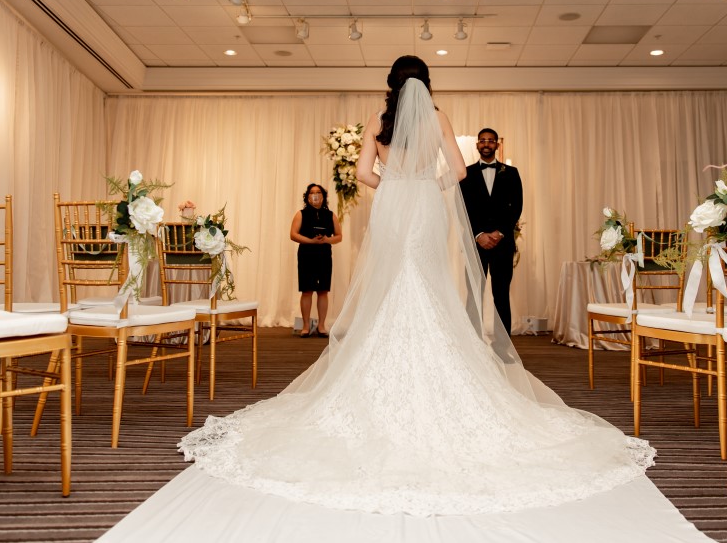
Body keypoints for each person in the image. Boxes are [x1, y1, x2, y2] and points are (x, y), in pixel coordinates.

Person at [178, 55, 653, 516]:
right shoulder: (438, 118)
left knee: (392, 282)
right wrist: (424, 184)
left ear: (391, 84)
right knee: (426, 278)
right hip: (425, 204)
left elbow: (363, 173)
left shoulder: (378, 120)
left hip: (392, 205)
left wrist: (394, 185)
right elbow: (460, 172)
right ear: (426, 85)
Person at [459, 127, 523, 335]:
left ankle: (503, 346)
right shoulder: (465, 173)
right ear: (477, 144)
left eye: (490, 140)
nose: (486, 144)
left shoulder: (511, 173)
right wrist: (478, 235)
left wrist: (500, 233)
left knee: (501, 295)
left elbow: (517, 207)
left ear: (497, 144)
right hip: (475, 245)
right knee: (474, 294)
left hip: (502, 244)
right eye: (483, 140)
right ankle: (473, 341)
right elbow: (461, 208)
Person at [289, 183, 341, 338]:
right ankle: (305, 326)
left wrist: (326, 240)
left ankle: (321, 325)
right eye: (312, 193)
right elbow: (293, 234)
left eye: (318, 192)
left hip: (324, 255)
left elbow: (339, 236)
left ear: (323, 196)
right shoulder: (301, 214)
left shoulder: (330, 215)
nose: (315, 195)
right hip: (306, 254)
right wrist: (311, 241)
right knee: (307, 290)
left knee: (323, 290)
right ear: (307, 197)